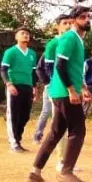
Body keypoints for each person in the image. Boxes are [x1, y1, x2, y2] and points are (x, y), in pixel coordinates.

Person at [28, 6, 92, 182]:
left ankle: (35, 172)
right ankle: (66, 172)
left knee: (56, 132)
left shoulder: (77, 39)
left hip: (63, 91)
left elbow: (73, 68)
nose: (87, 20)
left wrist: (83, 87)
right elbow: (60, 66)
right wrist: (72, 90)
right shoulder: (69, 38)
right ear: (73, 21)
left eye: (88, 17)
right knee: (78, 131)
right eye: (82, 17)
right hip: (64, 92)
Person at [1, 27, 40, 153]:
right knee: (13, 114)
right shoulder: (10, 52)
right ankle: (14, 143)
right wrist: (9, 84)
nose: (25, 35)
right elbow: (3, 70)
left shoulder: (32, 54)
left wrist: (35, 86)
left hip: (27, 86)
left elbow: (34, 72)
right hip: (14, 86)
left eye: (27, 34)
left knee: (25, 115)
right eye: (22, 33)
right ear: (16, 37)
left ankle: (18, 139)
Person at [34, 14, 71, 144]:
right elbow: (41, 68)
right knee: (47, 111)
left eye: (70, 23)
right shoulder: (53, 45)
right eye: (65, 23)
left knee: (62, 115)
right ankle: (38, 135)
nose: (68, 26)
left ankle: (61, 139)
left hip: (66, 86)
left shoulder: (71, 43)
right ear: (58, 27)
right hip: (53, 85)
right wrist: (49, 83)